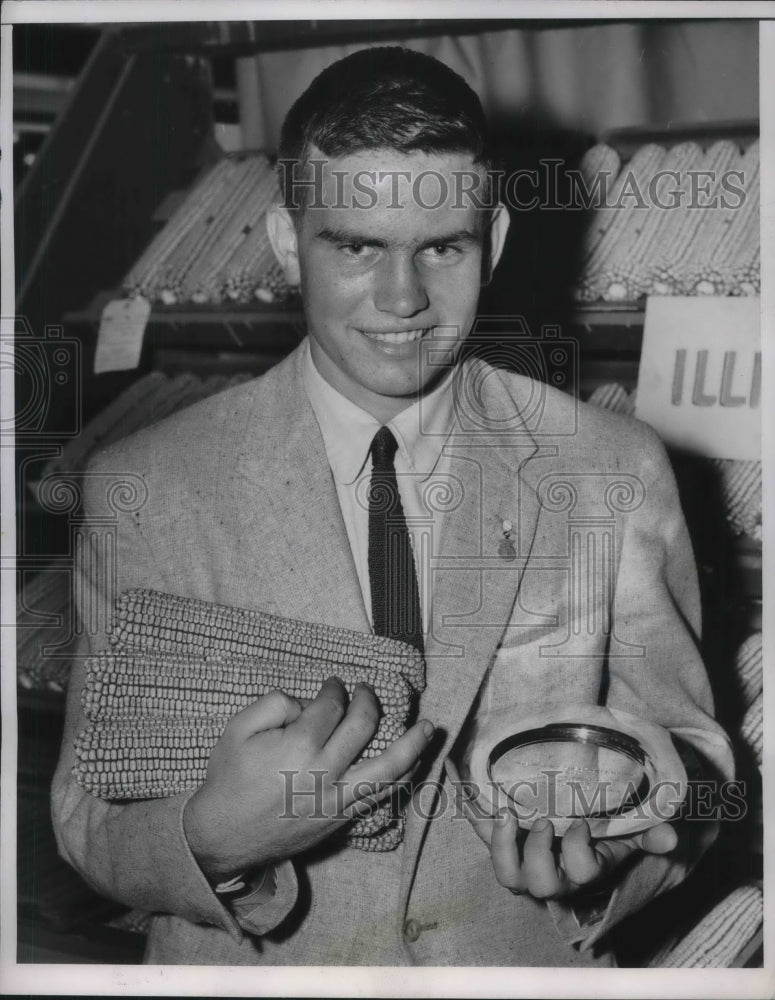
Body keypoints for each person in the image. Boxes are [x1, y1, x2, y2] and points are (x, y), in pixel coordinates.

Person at [52, 46, 733, 967]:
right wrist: (213, 841)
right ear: (289, 242)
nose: (403, 299)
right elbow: (91, 815)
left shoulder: (609, 466)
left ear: (492, 240)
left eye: (441, 247)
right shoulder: (148, 486)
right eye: (357, 246)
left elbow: (690, 753)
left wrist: (613, 845)